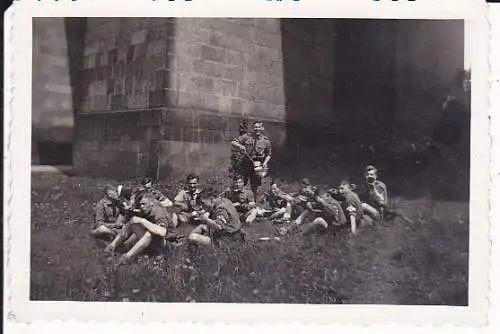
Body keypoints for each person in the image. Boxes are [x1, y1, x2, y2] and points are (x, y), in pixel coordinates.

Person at [105, 194, 179, 264]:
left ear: (152, 203)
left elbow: (162, 232)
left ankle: (127, 257)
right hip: (156, 241)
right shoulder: (148, 209)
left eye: (144, 204)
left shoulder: (159, 212)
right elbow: (137, 214)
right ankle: (112, 246)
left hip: (167, 243)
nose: (142, 206)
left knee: (149, 233)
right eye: (141, 204)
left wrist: (142, 221)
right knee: (132, 222)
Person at [230, 121, 272, 201]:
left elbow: (269, 154)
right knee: (242, 183)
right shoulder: (247, 137)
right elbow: (233, 142)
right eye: (255, 127)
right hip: (245, 164)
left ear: (262, 128)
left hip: (257, 166)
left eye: (259, 127)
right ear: (253, 128)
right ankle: (239, 200)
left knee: (255, 185)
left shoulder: (266, 141)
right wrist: (241, 146)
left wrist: (265, 163)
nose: (257, 129)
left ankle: (254, 201)